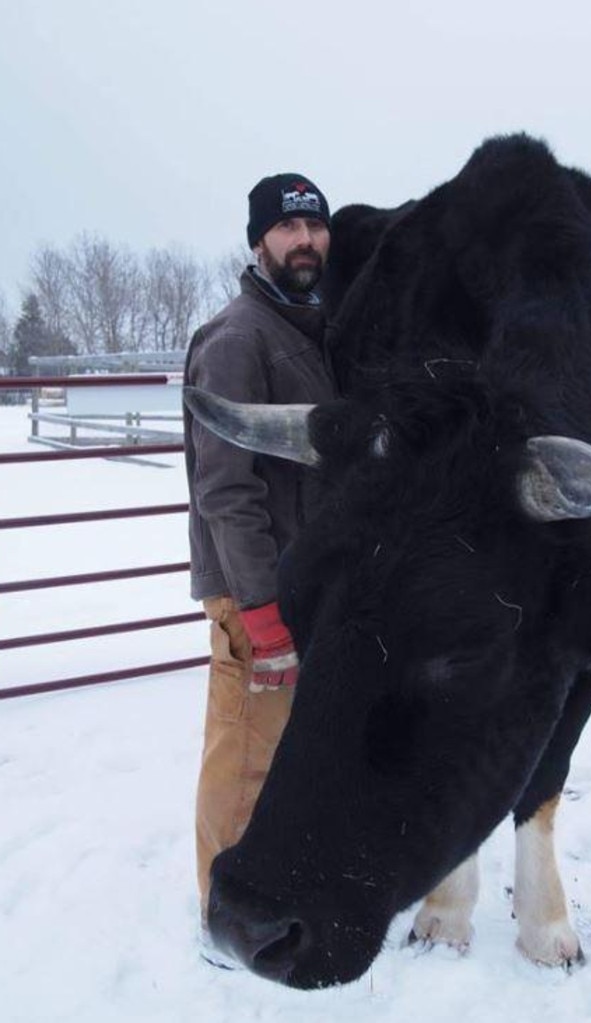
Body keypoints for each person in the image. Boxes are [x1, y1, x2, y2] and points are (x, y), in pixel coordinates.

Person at [183, 173, 335, 923]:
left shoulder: (309, 329)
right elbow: (225, 489)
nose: (305, 241)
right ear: (258, 241)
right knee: (245, 752)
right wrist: (264, 613)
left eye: (315, 227)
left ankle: (277, 881)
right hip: (257, 592)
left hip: (305, 584)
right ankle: (222, 910)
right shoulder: (238, 338)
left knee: (291, 752)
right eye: (288, 228)